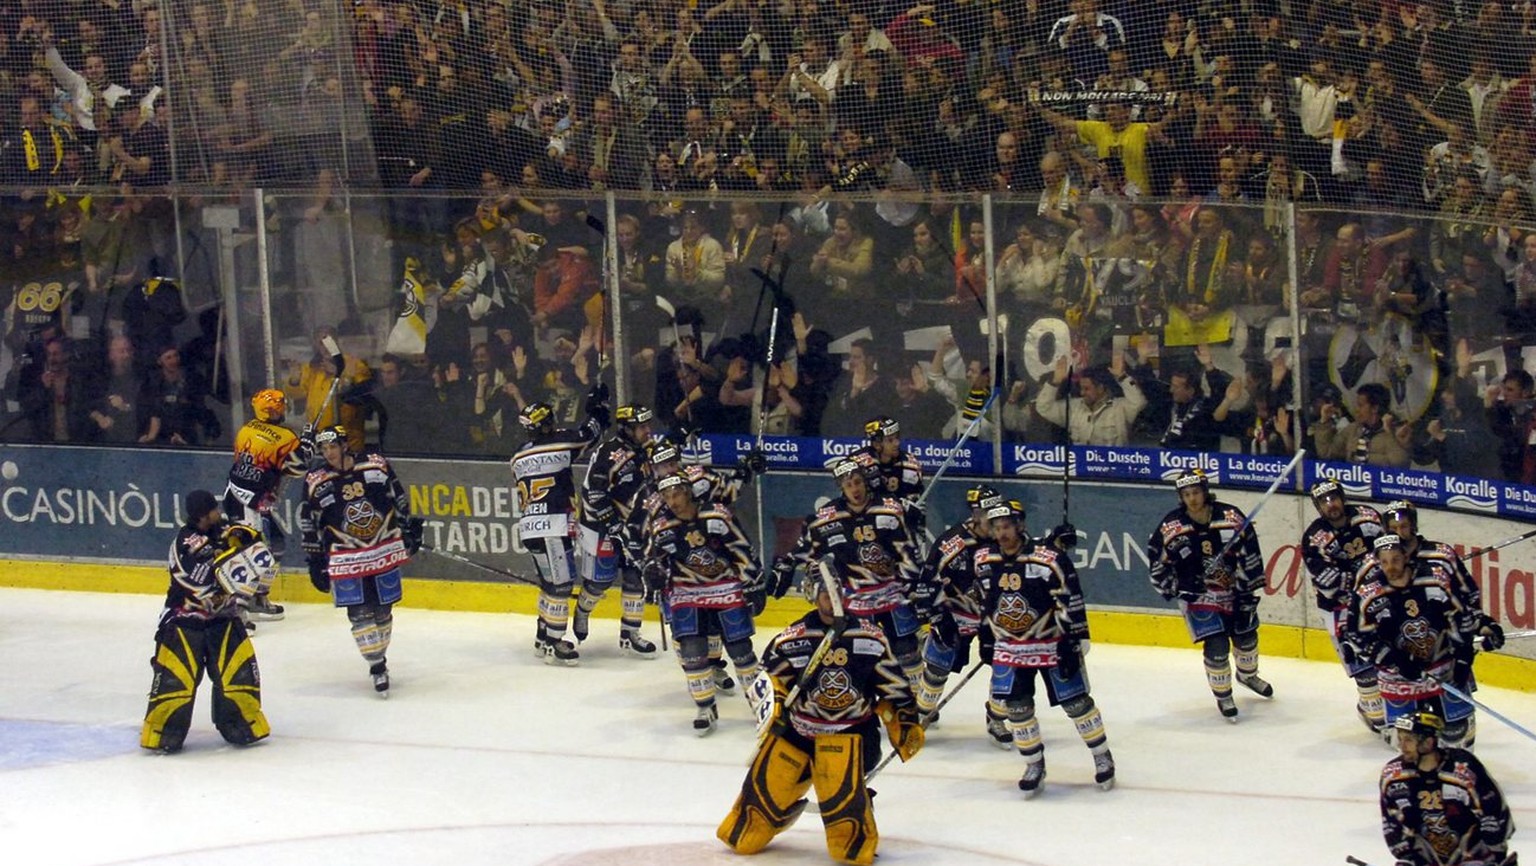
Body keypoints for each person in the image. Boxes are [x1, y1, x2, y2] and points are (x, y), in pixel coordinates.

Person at [717, 573, 922, 866]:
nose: (832, 599)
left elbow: (894, 686)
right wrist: (774, 707)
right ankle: (781, 810)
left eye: (837, 591)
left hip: (850, 734)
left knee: (846, 833)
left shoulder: (870, 637)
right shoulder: (793, 638)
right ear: (813, 595)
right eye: (826, 593)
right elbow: (765, 682)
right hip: (798, 732)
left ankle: (858, 815)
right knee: (748, 828)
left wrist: (904, 717)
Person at [971, 499, 1114, 797]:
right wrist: (985, 635)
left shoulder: (1047, 558)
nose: (1003, 533)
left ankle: (1102, 755)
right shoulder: (983, 559)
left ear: (1020, 526)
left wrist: (1072, 638)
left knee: (1076, 703)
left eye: (1007, 526)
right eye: (997, 528)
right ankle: (1034, 763)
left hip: (1051, 643)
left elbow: (1070, 596)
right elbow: (985, 601)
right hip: (1010, 647)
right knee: (1017, 708)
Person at [771, 459, 923, 692]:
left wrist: (913, 584)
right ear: (841, 487)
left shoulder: (889, 509)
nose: (855, 488)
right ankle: (868, 698)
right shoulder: (829, 517)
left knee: (907, 650)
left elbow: (908, 551)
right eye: (849, 484)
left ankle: (911, 700)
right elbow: (806, 549)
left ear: (866, 483)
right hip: (855, 598)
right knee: (862, 652)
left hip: (892, 594)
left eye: (858, 482)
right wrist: (785, 566)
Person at [140, 490, 273, 753]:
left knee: (238, 676)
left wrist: (249, 543)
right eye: (214, 509)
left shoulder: (223, 531)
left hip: (223, 619)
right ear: (203, 514)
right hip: (184, 623)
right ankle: (163, 733)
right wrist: (226, 558)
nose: (219, 512)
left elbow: (257, 559)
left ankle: (241, 725)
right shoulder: (184, 543)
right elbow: (197, 582)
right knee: (175, 682)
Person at [300, 426, 422, 697]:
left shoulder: (375, 465)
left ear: (345, 444)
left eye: (333, 446)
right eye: (324, 449)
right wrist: (314, 559)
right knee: (359, 614)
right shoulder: (315, 480)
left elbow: (398, 497)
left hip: (381, 549)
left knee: (383, 612)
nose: (329, 453)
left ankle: (381, 657)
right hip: (344, 557)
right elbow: (308, 521)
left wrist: (410, 527)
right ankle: (377, 666)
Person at [640, 474, 762, 735]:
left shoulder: (717, 516)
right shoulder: (662, 526)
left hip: (725, 587)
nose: (672, 501)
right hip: (687, 591)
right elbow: (652, 559)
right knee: (692, 651)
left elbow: (742, 548)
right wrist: (653, 572)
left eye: (677, 494)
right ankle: (705, 707)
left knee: (741, 651)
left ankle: (760, 704)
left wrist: (753, 582)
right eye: (667, 496)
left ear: (689, 492)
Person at [1146, 470, 1273, 721]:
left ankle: (1247, 675)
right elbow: (1157, 565)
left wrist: (1243, 584)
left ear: (1205, 491)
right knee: (1217, 645)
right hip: (1198, 598)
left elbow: (1251, 553)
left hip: (1234, 593)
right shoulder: (1172, 527)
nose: (1192, 499)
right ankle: (1223, 695)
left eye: (1196, 492)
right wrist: (1181, 583)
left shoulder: (1231, 516)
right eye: (1186, 494)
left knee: (1246, 638)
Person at [1348, 533, 1489, 748]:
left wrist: (1463, 656)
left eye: (1395, 559)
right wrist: (1394, 659)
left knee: (1457, 736)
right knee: (1408, 743)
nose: (1391, 567)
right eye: (1384, 562)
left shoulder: (1435, 580)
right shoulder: (1368, 594)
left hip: (1443, 669)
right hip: (1398, 679)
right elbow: (1356, 635)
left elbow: (1459, 618)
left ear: (1406, 557)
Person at [511, 390, 608, 666]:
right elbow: (590, 434)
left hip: (530, 527)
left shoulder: (518, 455)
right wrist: (598, 409)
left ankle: (543, 634)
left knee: (549, 584)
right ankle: (555, 642)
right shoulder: (559, 444)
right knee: (561, 585)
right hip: (552, 526)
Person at [913, 484, 1010, 747]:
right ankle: (922, 711)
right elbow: (926, 583)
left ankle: (996, 717)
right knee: (935, 671)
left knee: (1006, 666)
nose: (996, 520)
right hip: (955, 617)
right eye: (989, 513)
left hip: (995, 619)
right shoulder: (952, 542)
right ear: (976, 514)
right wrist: (938, 619)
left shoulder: (1006, 539)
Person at [1300, 478, 1388, 734]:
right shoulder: (1314, 539)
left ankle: (1396, 709)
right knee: (1362, 666)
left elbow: (1392, 552)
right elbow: (1331, 585)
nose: (1331, 505)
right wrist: (1369, 574)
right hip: (1339, 608)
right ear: (1317, 507)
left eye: (1334, 498)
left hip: (1379, 600)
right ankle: (1375, 716)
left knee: (1390, 654)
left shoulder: (1368, 518)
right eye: (1324, 502)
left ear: (1342, 497)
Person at [573, 403, 659, 659]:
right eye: (641, 427)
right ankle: (582, 610)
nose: (647, 431)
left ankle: (630, 634)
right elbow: (594, 492)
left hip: (633, 524)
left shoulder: (646, 450)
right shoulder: (609, 453)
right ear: (626, 428)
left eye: (647, 425)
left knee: (635, 575)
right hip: (600, 526)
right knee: (600, 580)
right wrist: (610, 523)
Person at [1380, 709, 1517, 866]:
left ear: (1428, 742)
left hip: (1473, 854)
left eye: (1408, 740)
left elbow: (1493, 812)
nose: (1401, 746)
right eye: (1400, 738)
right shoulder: (1394, 775)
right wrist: (1409, 857)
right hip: (1427, 856)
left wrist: (1494, 851)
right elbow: (1391, 821)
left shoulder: (1463, 769)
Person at [222, 388, 310, 624]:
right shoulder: (285, 437)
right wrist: (305, 449)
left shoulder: (246, 429)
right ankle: (238, 609)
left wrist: (300, 450)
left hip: (238, 496)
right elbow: (298, 469)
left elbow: (280, 467)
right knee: (254, 553)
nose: (281, 410)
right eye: (277, 407)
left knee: (276, 545)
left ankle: (258, 597)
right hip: (247, 503)